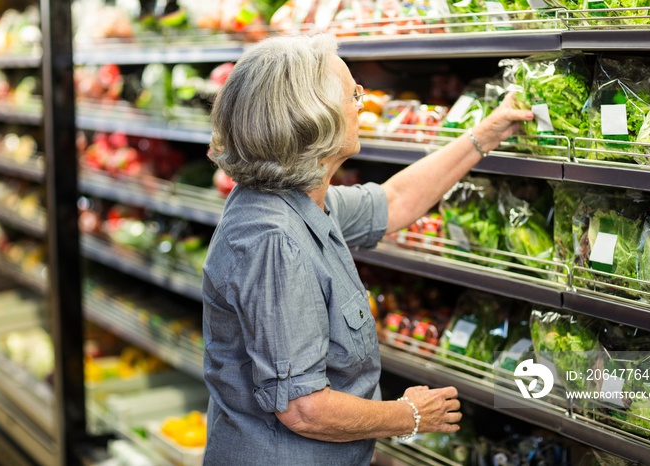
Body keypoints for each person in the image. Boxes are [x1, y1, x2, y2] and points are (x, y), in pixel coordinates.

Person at [202, 33, 534, 466]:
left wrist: (482, 137)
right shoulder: (274, 240)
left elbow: (393, 202)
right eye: (354, 94)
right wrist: (409, 414)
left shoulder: (299, 199)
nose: (364, 103)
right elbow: (302, 408)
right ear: (312, 117)